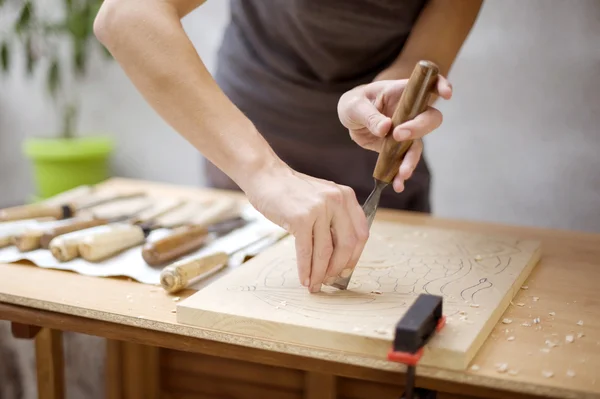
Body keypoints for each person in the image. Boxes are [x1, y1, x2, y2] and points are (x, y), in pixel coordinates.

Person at [94, 0, 482, 293]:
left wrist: (391, 98)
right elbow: (126, 14)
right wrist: (264, 173)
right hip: (249, 142)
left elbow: (423, 55)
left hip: (375, 157)